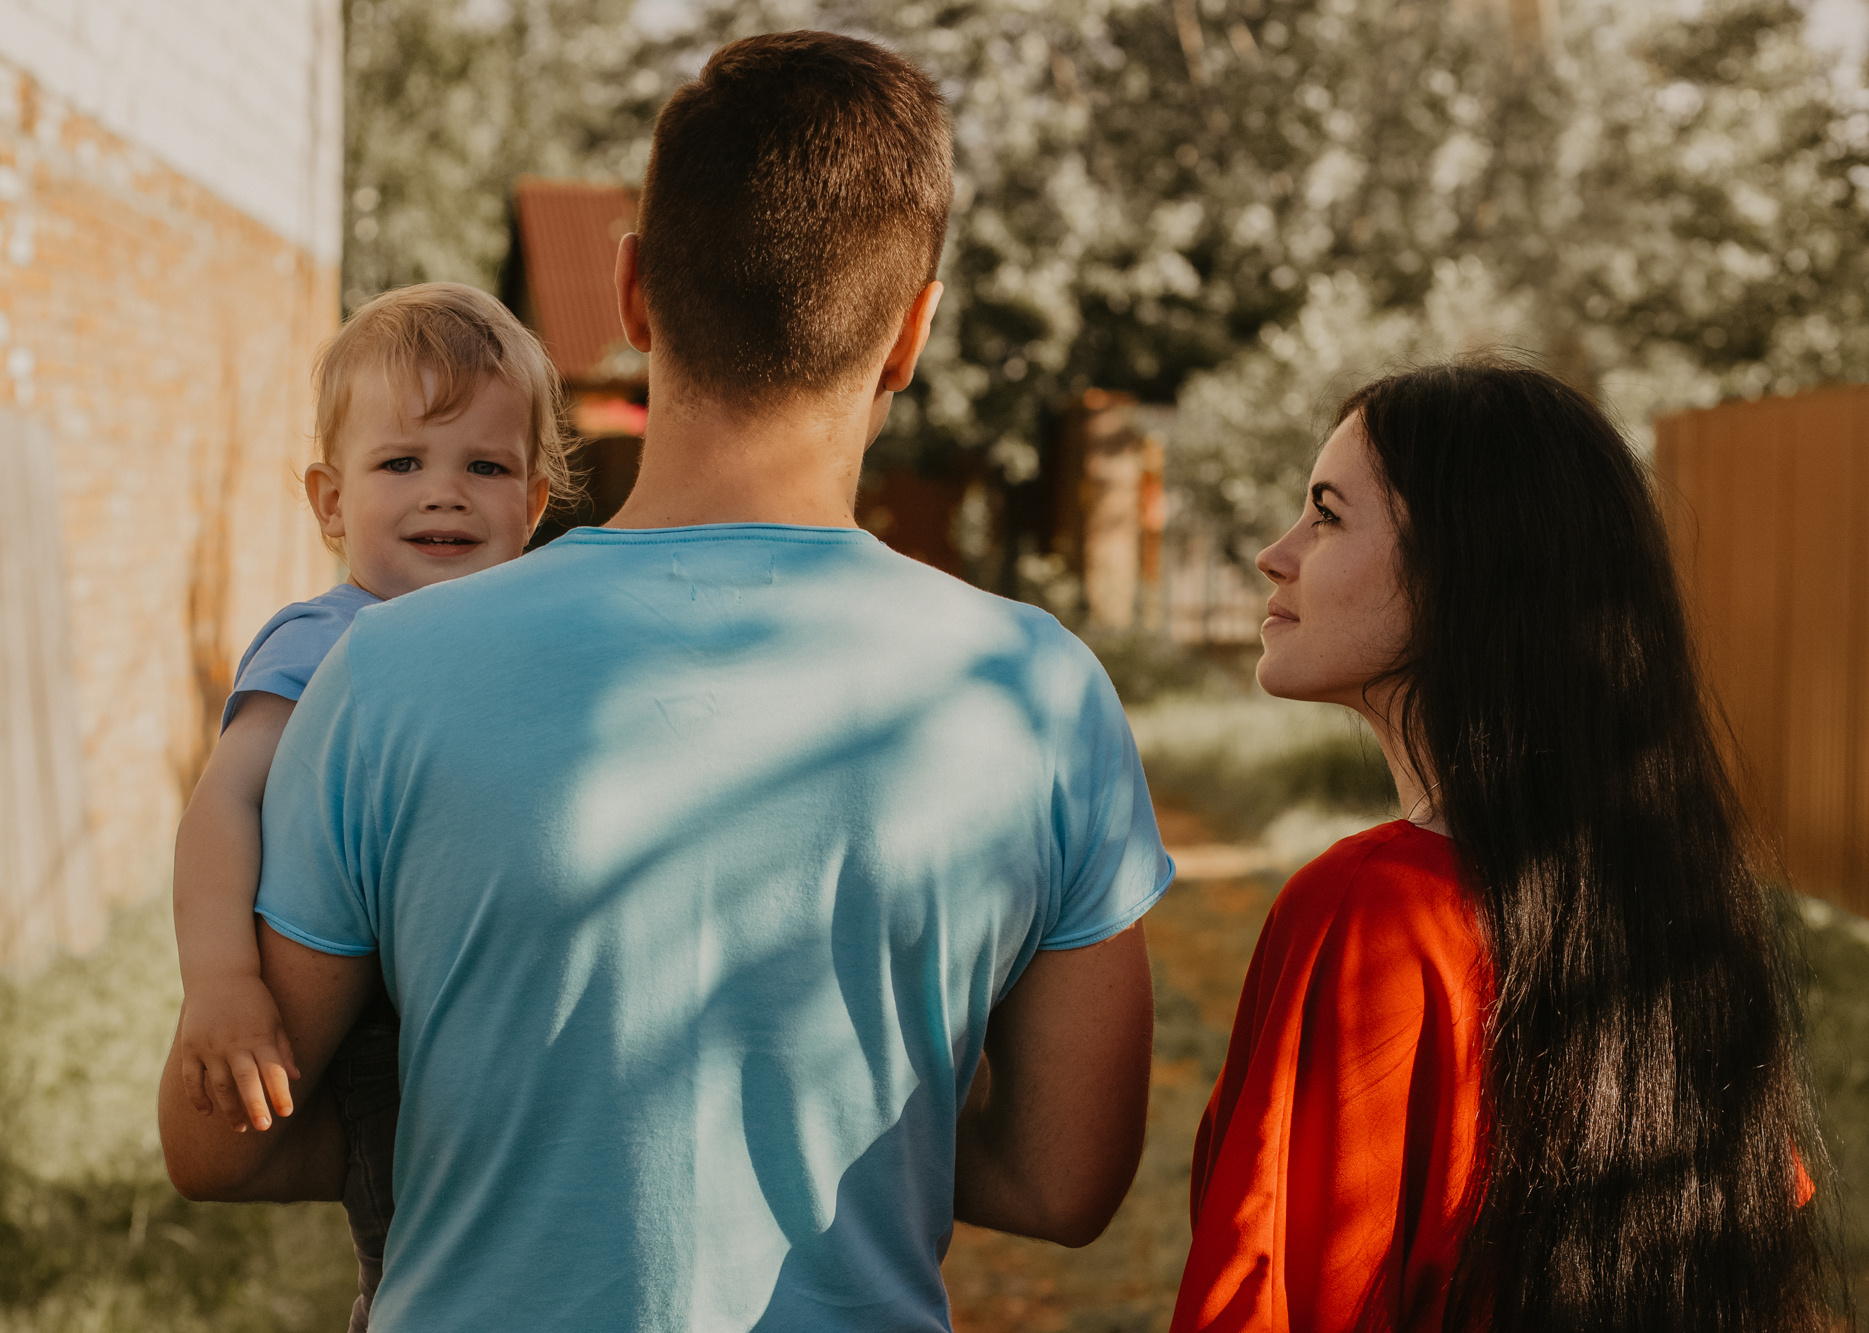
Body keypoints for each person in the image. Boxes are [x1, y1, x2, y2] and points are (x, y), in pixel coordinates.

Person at [158, 30, 1172, 1332]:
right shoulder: (1039, 693)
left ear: (633, 294)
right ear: (914, 327)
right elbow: (1066, 1176)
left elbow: (222, 1143)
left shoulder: (384, 669)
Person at [1169, 358, 1834, 1333]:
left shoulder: (1372, 910)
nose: (1275, 553)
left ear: (1465, 570)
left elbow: (1266, 1301)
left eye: (1325, 514)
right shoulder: (1658, 901)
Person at [169, 281, 570, 1329]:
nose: (445, 493)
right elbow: (224, 805)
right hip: (373, 1018)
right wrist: (220, 982)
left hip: (498, 1003)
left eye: (484, 466)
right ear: (330, 501)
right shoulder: (319, 639)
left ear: (531, 505)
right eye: (401, 463)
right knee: (425, 1252)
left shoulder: (528, 642)